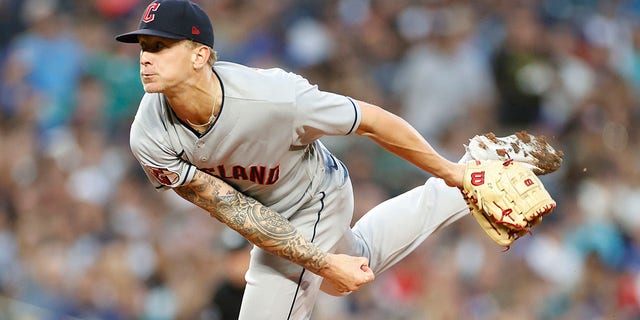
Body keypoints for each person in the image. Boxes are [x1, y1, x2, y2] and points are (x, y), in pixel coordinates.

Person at [115, 1, 559, 318]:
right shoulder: (149, 133)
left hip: (315, 195)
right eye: (143, 46)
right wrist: (325, 263)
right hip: (268, 212)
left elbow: (371, 120)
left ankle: (462, 173)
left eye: (160, 46)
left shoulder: (274, 99)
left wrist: (450, 169)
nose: (145, 58)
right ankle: (467, 177)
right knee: (351, 262)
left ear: (200, 55)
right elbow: (233, 209)